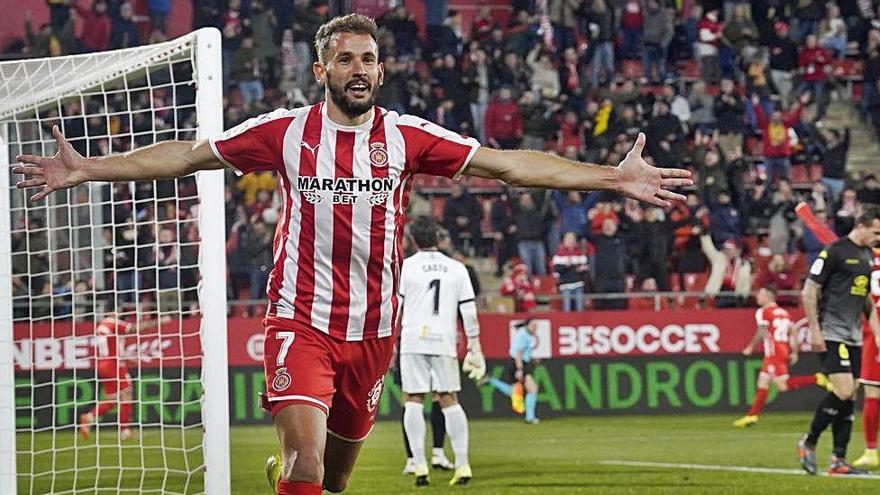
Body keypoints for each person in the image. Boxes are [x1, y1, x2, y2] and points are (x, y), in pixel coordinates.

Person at [13, 14, 691, 495]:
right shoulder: (283, 132)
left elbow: (510, 166)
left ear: (381, 68)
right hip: (298, 322)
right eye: (345, 59)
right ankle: (293, 468)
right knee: (308, 463)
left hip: (374, 333)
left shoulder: (407, 136)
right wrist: (89, 169)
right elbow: (187, 156)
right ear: (321, 69)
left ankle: (293, 473)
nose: (359, 70)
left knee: (333, 477)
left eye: (368, 59)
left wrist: (611, 176)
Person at [397, 216, 484, 486]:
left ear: (412, 240)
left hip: (412, 340)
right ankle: (463, 464)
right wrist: (475, 346)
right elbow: (468, 312)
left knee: (412, 399)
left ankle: (420, 465)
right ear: (438, 237)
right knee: (449, 400)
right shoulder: (457, 268)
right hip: (443, 340)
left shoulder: (405, 267)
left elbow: (394, 310)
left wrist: (388, 345)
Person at [798, 205, 880, 476]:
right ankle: (808, 442)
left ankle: (838, 461)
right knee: (844, 391)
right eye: (876, 232)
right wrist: (814, 329)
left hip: (854, 335)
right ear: (862, 225)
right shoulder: (834, 251)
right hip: (831, 331)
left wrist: (877, 333)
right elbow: (810, 289)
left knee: (848, 399)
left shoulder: (866, 256)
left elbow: (865, 298)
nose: (878, 237)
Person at [733, 286, 831, 428]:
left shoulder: (763, 312)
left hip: (774, 352)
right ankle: (752, 416)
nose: (757, 297)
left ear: (768, 296)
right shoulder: (783, 312)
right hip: (782, 349)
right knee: (763, 382)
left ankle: (816, 378)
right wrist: (794, 351)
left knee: (783, 386)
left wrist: (750, 347)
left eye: (760, 294)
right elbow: (793, 331)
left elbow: (762, 331)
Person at [78, 314, 164, 441]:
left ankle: (89, 417)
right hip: (114, 364)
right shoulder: (113, 323)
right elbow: (134, 328)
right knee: (127, 394)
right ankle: (125, 430)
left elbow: (112, 348)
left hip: (103, 364)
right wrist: (160, 321)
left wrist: (128, 359)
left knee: (112, 399)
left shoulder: (101, 326)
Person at [486, 319, 540, 424]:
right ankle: (530, 417)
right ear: (527, 325)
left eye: (536, 326)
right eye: (533, 325)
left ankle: (491, 381)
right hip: (518, 363)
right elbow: (518, 353)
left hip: (518, 363)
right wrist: (519, 369)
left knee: (514, 391)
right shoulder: (523, 335)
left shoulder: (524, 334)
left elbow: (521, 352)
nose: (535, 328)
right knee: (533, 389)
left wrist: (531, 359)